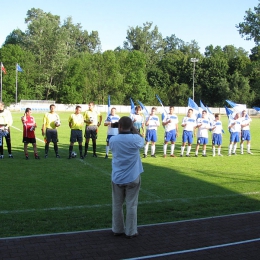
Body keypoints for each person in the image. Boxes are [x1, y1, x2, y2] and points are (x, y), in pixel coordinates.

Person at [109, 116, 144, 239]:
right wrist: (133, 128)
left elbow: (112, 146)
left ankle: (117, 229)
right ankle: (131, 231)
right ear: (131, 126)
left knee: (117, 205)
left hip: (117, 177)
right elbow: (141, 140)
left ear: (119, 126)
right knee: (131, 205)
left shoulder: (113, 140)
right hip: (132, 176)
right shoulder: (136, 138)